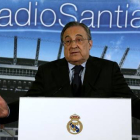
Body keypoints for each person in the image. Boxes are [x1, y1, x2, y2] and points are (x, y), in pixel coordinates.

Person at [0, 21, 140, 124]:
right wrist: (8, 112)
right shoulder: (47, 71)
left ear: (90, 44)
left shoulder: (108, 69)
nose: (73, 45)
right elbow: (30, 104)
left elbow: (130, 103)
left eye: (79, 39)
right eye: (68, 41)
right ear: (64, 45)